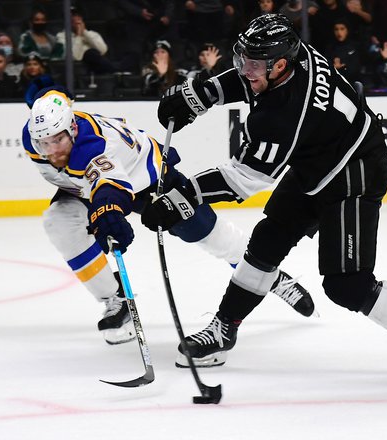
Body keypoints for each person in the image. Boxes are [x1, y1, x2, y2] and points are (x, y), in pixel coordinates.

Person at [142, 14, 387, 380]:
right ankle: (224, 328)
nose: (244, 69)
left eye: (254, 64)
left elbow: (245, 178)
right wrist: (201, 95)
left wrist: (183, 196)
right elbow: (250, 80)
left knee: (347, 285)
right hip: (317, 162)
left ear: (279, 64)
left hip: (355, 173)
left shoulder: (283, 114)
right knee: (267, 241)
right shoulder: (292, 56)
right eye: (242, 58)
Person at [22, 85, 315, 345]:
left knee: (208, 235)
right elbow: (55, 96)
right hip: (86, 188)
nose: (52, 151)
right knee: (58, 222)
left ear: (72, 129)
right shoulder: (37, 134)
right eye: (44, 143)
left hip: (146, 178)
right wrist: (48, 90)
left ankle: (269, 276)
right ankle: (117, 299)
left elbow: (111, 188)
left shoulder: (93, 149)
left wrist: (108, 213)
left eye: (57, 140)